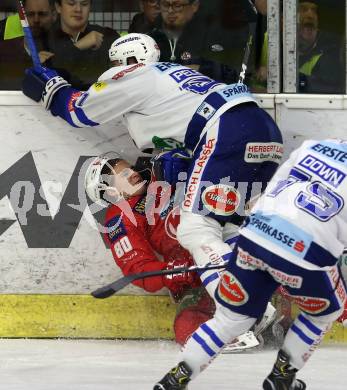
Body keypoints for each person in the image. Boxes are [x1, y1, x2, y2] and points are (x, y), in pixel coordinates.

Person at [21, 32, 282, 328]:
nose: (124, 170)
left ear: (125, 62)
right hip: (262, 130)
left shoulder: (134, 74)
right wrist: (172, 271)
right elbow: (140, 264)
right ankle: (263, 303)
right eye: (111, 172)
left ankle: (243, 311)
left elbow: (78, 110)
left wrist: (51, 89)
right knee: (230, 225)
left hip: (225, 131)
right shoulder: (173, 77)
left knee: (197, 229)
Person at [154, 138, 347, 390]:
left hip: (255, 234)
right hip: (304, 249)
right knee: (325, 313)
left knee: (232, 318)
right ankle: (281, 379)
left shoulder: (315, 144)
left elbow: (273, 190)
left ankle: (173, 381)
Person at [83, 152, 261, 350]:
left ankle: (268, 314)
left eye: (130, 169)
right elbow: (139, 269)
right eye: (123, 175)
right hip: (195, 280)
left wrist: (184, 164)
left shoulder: (160, 173)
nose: (133, 173)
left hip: (232, 244)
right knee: (187, 323)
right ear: (110, 192)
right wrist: (174, 271)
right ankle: (234, 332)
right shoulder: (121, 216)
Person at [47, 0, 120, 89]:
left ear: (90, 7)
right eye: (71, 4)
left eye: (84, 4)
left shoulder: (109, 37)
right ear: (58, 7)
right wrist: (78, 46)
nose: (78, 9)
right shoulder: (45, 38)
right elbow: (45, 76)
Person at [0, 0, 56, 90]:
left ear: (54, 15)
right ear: (21, 16)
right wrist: (30, 63)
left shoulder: (63, 43)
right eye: (30, 14)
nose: (36, 20)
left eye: (42, 14)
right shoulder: (4, 47)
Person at [298, 0, 344, 93]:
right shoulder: (272, 40)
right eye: (303, 9)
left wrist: (283, 76)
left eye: (314, 11)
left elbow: (328, 87)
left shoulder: (331, 48)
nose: (310, 14)